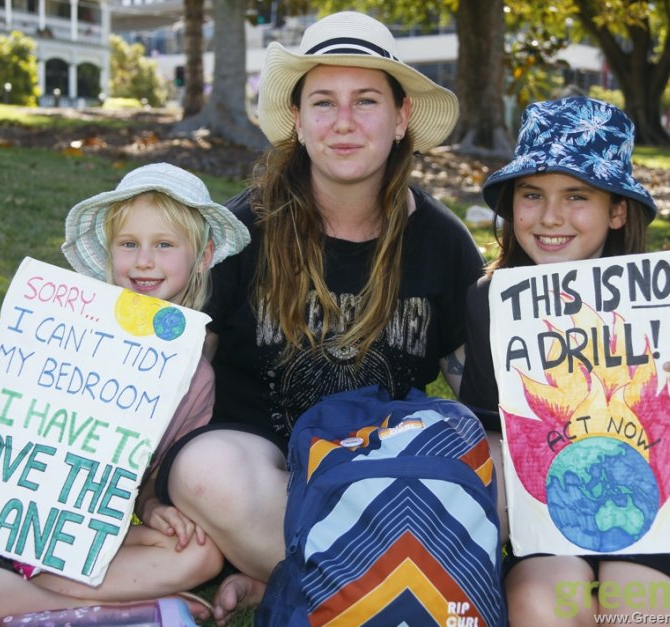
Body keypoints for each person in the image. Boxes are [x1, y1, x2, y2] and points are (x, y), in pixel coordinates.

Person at [153, 11, 485, 624]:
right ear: (299, 122)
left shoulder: (443, 243)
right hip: (261, 477)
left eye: (366, 101)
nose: (345, 124)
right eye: (324, 103)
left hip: (382, 476)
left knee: (487, 449)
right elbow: (175, 375)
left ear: (401, 116)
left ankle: (277, 577)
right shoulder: (239, 232)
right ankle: (384, 585)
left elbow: (481, 401)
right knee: (202, 470)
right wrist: (146, 497)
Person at [0, 163, 250, 626]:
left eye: (164, 245)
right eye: (129, 244)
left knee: (200, 555)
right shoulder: (57, 326)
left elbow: (151, 474)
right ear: (110, 252)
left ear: (203, 255)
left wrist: (151, 506)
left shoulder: (195, 377)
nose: (144, 260)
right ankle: (117, 610)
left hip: (76, 537)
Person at [458, 96, 670, 623]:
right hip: (553, 522)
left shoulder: (662, 302)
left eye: (577, 196)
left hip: (668, 525)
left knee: (627, 601)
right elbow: (494, 443)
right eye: (532, 194)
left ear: (617, 210)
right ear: (512, 205)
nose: (551, 216)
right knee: (536, 598)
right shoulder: (492, 304)